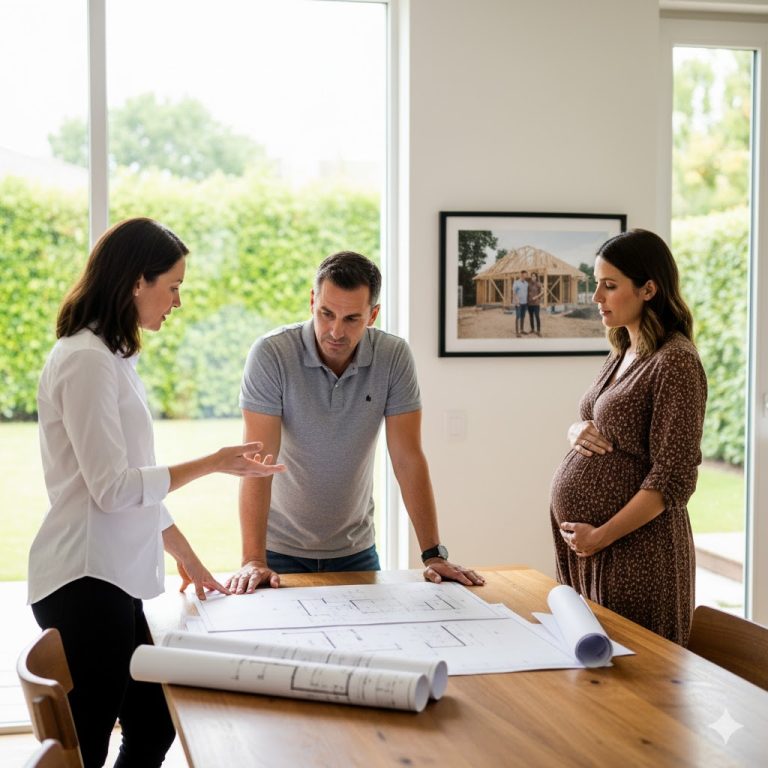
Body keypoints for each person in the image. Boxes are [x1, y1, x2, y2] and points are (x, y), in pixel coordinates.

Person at [27, 218, 286, 768]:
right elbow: (114, 489)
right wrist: (215, 463)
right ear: (135, 282)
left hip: (107, 579)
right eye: (173, 285)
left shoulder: (111, 358)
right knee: (98, 741)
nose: (177, 300)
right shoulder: (86, 361)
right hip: (84, 581)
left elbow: (132, 480)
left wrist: (186, 556)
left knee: (153, 721)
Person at [227, 250, 484, 593]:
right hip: (277, 552)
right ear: (312, 301)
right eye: (326, 313)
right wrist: (253, 560)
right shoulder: (272, 354)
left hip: (356, 551)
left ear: (372, 314)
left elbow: (407, 458)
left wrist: (433, 554)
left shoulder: (393, 356)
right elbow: (259, 462)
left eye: (351, 319)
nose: (335, 331)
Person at [549, 229, 707, 645]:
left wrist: (600, 535)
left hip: (636, 556)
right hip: (597, 551)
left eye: (610, 285)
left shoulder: (675, 362)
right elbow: (608, 423)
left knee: (635, 685)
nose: (596, 296)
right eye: (596, 283)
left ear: (649, 289)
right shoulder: (625, 349)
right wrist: (575, 429)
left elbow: (673, 478)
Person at [512, 269, 529, 337]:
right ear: (521, 275)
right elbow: (514, 292)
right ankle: (517, 332)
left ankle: (522, 330)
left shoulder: (526, 283)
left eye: (526, 275)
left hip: (524, 303)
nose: (526, 276)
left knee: (523, 317)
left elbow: (526, 293)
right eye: (525, 275)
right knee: (518, 317)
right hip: (518, 303)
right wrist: (516, 301)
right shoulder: (516, 282)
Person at [527, 271, 543, 336]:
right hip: (530, 303)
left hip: (536, 303)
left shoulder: (539, 284)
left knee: (537, 316)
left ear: (536, 277)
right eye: (532, 276)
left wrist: (537, 296)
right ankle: (532, 329)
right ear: (531, 277)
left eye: (534, 276)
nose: (533, 277)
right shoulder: (529, 284)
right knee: (531, 317)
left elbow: (542, 292)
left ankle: (538, 331)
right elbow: (527, 292)